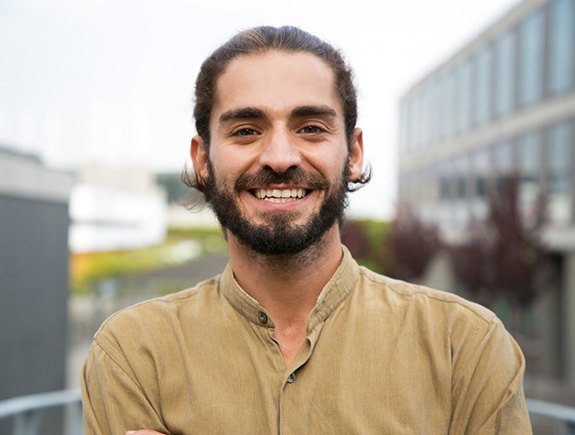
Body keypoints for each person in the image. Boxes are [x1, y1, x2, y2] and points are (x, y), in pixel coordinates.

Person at [81, 26, 532, 434]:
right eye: (245, 130)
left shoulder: (466, 348)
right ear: (202, 161)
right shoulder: (132, 354)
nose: (280, 157)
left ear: (353, 153)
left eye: (311, 128)